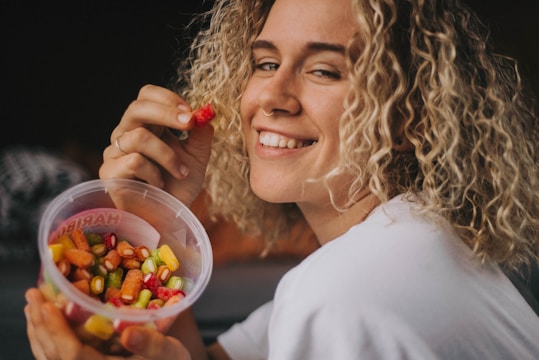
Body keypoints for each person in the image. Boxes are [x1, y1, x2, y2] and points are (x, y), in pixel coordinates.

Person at [24, 0, 539, 358]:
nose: (272, 95)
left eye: (324, 71)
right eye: (266, 62)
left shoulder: (342, 294)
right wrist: (157, 218)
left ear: (413, 117)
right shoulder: (400, 243)